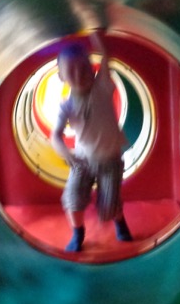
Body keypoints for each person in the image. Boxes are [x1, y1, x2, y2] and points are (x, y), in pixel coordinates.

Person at [51, 30, 133, 252]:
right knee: (72, 199)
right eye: (71, 70)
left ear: (93, 69)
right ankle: (78, 233)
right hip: (82, 160)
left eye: (84, 67)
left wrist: (94, 32)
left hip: (110, 160)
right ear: (61, 77)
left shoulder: (102, 86)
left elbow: (106, 55)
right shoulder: (66, 106)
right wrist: (65, 153)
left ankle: (119, 220)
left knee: (109, 207)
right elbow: (55, 135)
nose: (79, 74)